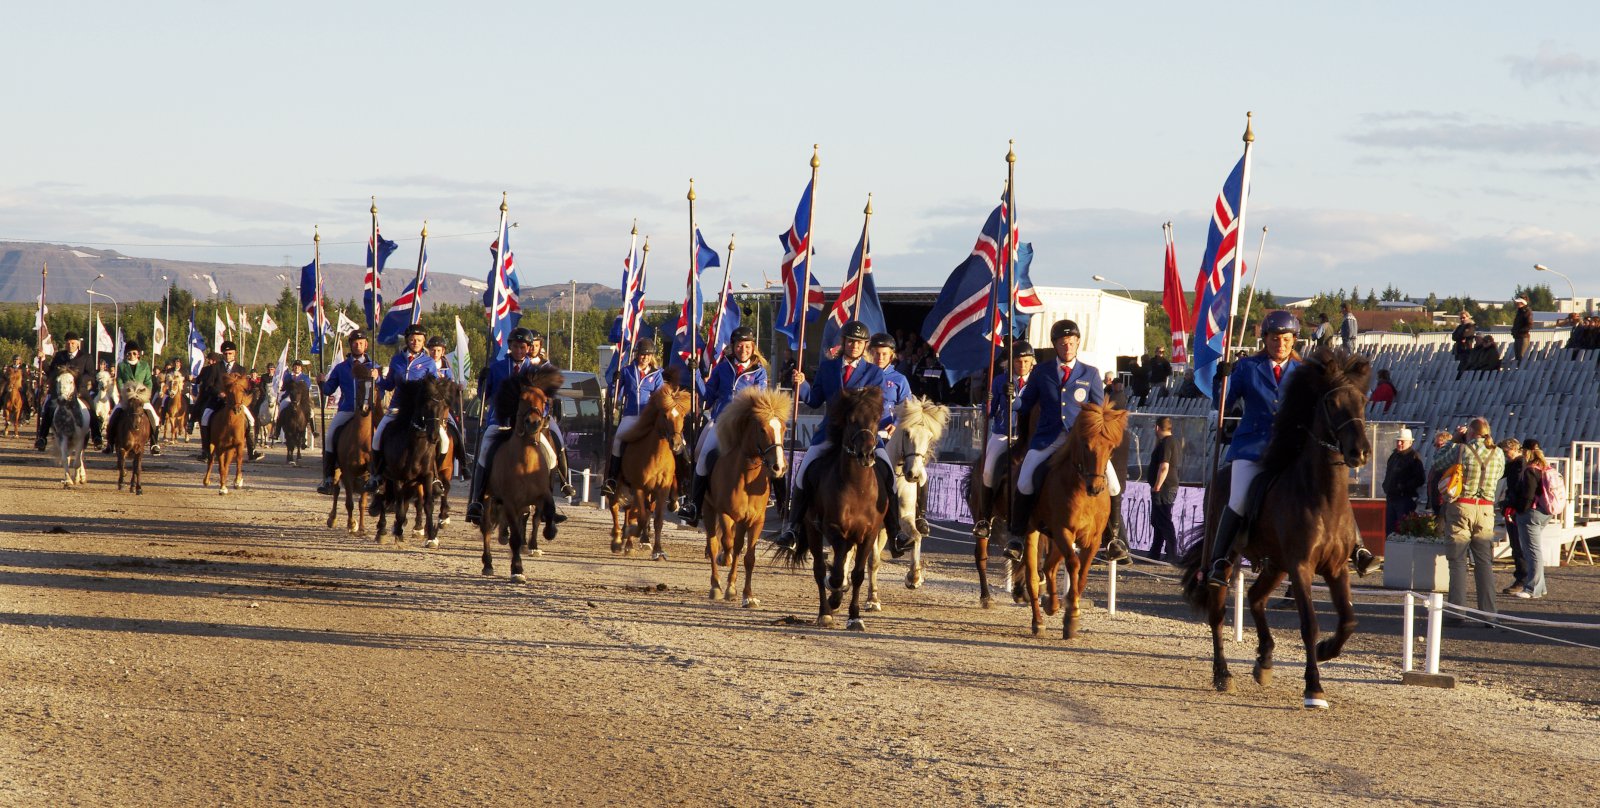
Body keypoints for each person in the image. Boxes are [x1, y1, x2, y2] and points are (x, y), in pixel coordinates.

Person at [1208, 311, 1376, 586]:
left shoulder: (1305, 372)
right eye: (1275, 338)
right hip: (1252, 446)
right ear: (1265, 339)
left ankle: (1357, 547)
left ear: (1294, 340)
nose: (1281, 344)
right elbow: (1222, 403)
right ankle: (1220, 559)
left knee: (1330, 488)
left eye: (1286, 339)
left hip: (1291, 447)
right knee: (1238, 497)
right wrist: (1221, 380)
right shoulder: (1248, 367)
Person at [772, 320, 894, 552]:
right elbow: (815, 399)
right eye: (851, 342)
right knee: (804, 470)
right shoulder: (828, 368)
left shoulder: (874, 373)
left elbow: (876, 404)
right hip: (831, 432)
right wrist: (803, 385)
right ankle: (793, 527)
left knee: (888, 473)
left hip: (862, 434)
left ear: (864, 345)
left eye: (859, 343)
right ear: (844, 343)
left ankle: (896, 529)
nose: (855, 346)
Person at [1004, 319, 1106, 559]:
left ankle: (1113, 537)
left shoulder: (1090, 374)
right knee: (1025, 480)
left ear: (1078, 343)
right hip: (1047, 439)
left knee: (1111, 481)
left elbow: (1098, 411)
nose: (1067, 347)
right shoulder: (1042, 372)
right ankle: (1017, 536)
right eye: (1062, 343)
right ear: (1055, 346)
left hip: (1081, 442)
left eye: (1071, 342)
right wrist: (1012, 399)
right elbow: (1026, 403)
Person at [1429, 417, 1503, 627]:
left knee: (1458, 561)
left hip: (1462, 505)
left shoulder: (1461, 450)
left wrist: (1455, 439)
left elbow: (1437, 462)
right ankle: (1489, 614)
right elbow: (1499, 475)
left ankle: (1457, 612)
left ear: (1469, 432)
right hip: (1486, 508)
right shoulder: (1497, 453)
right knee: (1484, 562)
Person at [866, 333, 925, 556]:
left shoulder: (899, 380)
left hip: (889, 436)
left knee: (919, 467)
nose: (879, 357)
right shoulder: (864, 375)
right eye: (876, 353)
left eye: (884, 354)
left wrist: (897, 423)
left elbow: (907, 408)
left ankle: (920, 515)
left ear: (892, 356)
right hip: (865, 435)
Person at [366, 324, 441, 494]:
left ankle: (435, 476)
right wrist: (377, 379)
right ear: (407, 340)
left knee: (441, 438)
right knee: (377, 437)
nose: (416, 342)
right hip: (397, 408)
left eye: (420, 340)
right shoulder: (397, 359)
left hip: (419, 411)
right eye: (413, 339)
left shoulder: (429, 363)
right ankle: (376, 475)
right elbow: (390, 384)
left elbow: (433, 388)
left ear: (424, 342)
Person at [973, 340, 1035, 541]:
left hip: (1028, 435)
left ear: (1032, 362)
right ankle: (985, 516)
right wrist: (988, 402)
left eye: (1026, 361)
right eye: (1018, 361)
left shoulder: (1037, 382)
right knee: (989, 469)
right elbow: (989, 413)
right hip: (1004, 433)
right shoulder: (1000, 380)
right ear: (1011, 363)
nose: (1022, 365)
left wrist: (1016, 401)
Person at [315, 331, 380, 495]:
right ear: (350, 345)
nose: (358, 345)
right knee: (330, 437)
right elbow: (329, 389)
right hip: (347, 410)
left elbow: (385, 390)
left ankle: (380, 478)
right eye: (355, 343)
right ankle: (328, 478)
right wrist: (322, 382)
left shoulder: (374, 367)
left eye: (361, 342)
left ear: (366, 345)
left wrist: (377, 378)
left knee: (383, 437)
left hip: (368, 412)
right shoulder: (341, 367)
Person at [602, 338, 666, 502]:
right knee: (617, 441)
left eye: (647, 354)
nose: (644, 357)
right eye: (641, 354)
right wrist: (614, 383)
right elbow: (614, 394)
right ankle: (612, 478)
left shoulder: (657, 374)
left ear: (652, 356)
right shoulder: (627, 371)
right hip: (630, 415)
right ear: (637, 354)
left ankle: (672, 483)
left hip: (647, 418)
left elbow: (660, 397)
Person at [194, 341, 265, 463]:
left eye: (230, 353)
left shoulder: (241, 369)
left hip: (235, 402)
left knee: (251, 420)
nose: (228, 356)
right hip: (218, 400)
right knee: (205, 418)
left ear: (235, 353)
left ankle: (252, 451)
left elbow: (244, 387)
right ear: (223, 354)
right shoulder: (215, 368)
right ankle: (205, 451)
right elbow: (209, 385)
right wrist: (220, 393)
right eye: (226, 353)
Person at [34, 332, 95, 451]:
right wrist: (44, 360)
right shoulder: (59, 356)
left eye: (72, 343)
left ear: (78, 344)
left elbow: (91, 374)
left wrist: (79, 382)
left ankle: (97, 436)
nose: (70, 345)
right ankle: (42, 437)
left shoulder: (86, 357)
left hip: (79, 390)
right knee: (48, 408)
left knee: (91, 408)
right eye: (68, 343)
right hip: (60, 391)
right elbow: (51, 372)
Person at [1511, 440, 1555, 600]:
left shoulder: (1530, 470)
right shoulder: (1545, 467)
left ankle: (1533, 588)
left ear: (1525, 451)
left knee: (1531, 551)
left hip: (1531, 513)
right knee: (1534, 549)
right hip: (1545, 511)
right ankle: (1540, 586)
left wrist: (1519, 511)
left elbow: (1527, 495)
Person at [104, 342, 162, 456]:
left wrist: (144, 393)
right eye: (129, 353)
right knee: (113, 416)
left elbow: (148, 382)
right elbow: (120, 381)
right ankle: (110, 443)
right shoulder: (122, 365)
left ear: (138, 354)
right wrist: (125, 393)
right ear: (126, 354)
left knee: (154, 417)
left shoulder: (145, 365)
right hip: (127, 397)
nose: (132, 355)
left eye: (134, 353)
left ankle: (154, 444)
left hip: (142, 398)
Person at [1146, 416, 1182, 562]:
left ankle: (1172, 553)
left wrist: (1157, 486)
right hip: (1166, 486)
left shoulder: (1167, 443)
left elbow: (1164, 466)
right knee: (1158, 519)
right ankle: (1155, 551)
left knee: (1164, 519)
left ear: (1157, 428)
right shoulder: (1173, 441)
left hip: (1164, 486)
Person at [1382, 428, 1425, 536]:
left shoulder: (1414, 457)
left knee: (1402, 530)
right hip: (1391, 498)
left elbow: (1420, 479)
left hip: (1404, 499)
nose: (1399, 443)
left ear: (1410, 442)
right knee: (1390, 531)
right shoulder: (1394, 456)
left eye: (1402, 441)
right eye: (1398, 441)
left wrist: (1403, 487)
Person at [1498, 438, 1527, 591]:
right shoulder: (1514, 465)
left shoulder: (1520, 465)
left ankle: (1522, 579)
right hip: (1514, 507)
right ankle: (1523, 578)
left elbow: (1518, 488)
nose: (1505, 454)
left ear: (1515, 449)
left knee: (1518, 545)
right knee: (1517, 545)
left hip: (1516, 509)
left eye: (1506, 451)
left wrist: (1509, 503)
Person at [1425, 430, 1452, 514]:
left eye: (1440, 445)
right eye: (1436, 445)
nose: (1437, 448)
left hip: (1445, 505)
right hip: (1435, 504)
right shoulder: (1435, 463)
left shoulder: (1450, 464)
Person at [1511, 297, 1533, 366]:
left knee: (1522, 356)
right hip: (1517, 337)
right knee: (1517, 357)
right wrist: (1514, 331)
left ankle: (1522, 370)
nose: (1517, 304)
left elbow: (1529, 325)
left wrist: (1520, 331)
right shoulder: (1519, 312)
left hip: (1523, 337)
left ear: (1523, 303)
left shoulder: (1527, 312)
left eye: (1518, 302)